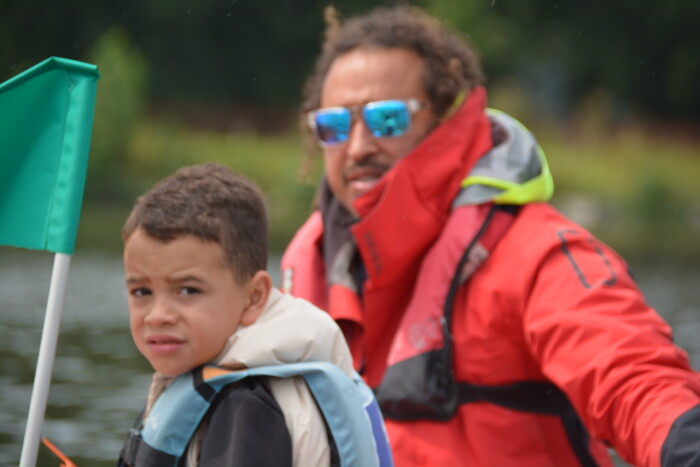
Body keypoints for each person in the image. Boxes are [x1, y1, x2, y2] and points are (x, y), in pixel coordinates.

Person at [280, 5, 700, 467]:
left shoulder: (538, 255)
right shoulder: (296, 280)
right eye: (334, 126)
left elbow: (637, 382)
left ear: (444, 121)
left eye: (387, 120)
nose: (358, 146)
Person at [116, 163, 389, 467]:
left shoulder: (244, 406)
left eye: (188, 290)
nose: (157, 316)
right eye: (141, 292)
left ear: (254, 296)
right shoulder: (235, 377)